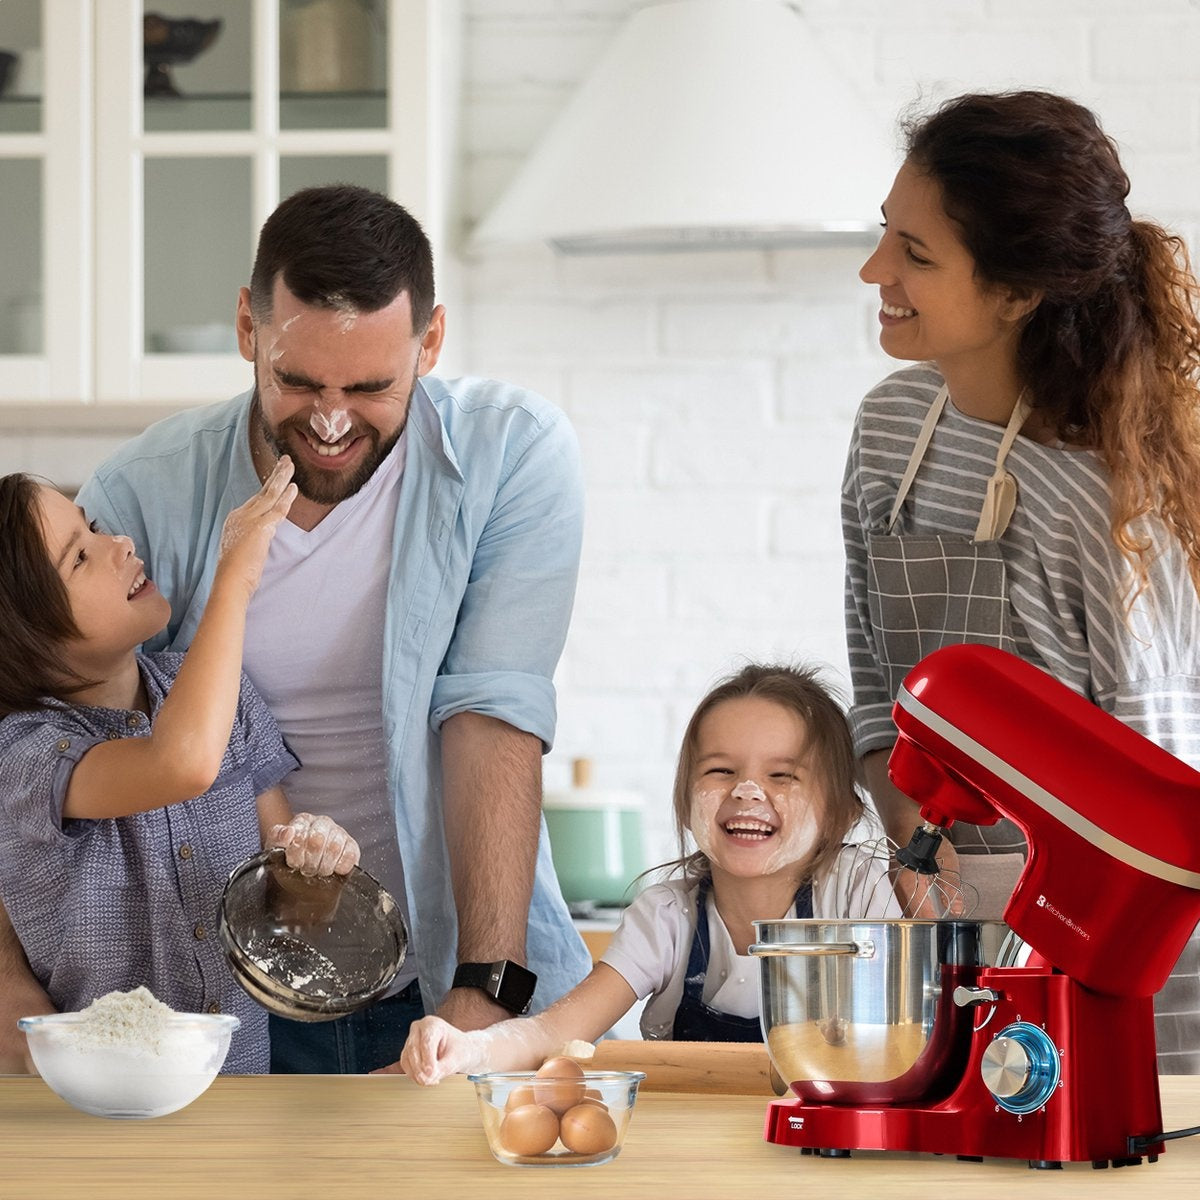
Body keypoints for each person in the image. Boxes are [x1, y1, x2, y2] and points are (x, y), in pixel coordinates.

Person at [0, 184, 592, 1075]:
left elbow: (491, 717)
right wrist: (13, 992)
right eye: (298, 380)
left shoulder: (512, 454)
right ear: (249, 328)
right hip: (220, 1011)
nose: (328, 421)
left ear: (430, 342)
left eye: (371, 386)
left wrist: (482, 986)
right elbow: (57, 746)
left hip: (449, 975)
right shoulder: (144, 492)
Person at [843, 90, 1200, 1070]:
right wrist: (918, 844)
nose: (876, 272)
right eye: (887, 236)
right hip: (954, 946)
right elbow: (880, 693)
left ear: (1016, 292)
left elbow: (1162, 818)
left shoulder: (1102, 501)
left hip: (1139, 981)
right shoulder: (886, 437)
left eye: (917, 256)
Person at [0, 458, 362, 1074]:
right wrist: (238, 577)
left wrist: (315, 867)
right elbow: (181, 764)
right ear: (23, 631)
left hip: (240, 1108)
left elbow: (285, 918)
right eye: (79, 558)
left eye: (92, 528)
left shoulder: (226, 698)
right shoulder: (24, 755)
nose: (117, 543)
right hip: (100, 1119)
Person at [396, 663, 901, 1083]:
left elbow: (903, 1045)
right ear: (684, 801)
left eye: (782, 775)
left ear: (842, 813)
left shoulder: (858, 893)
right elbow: (555, 1033)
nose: (747, 791)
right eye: (721, 771)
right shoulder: (666, 918)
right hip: (684, 1152)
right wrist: (467, 1048)